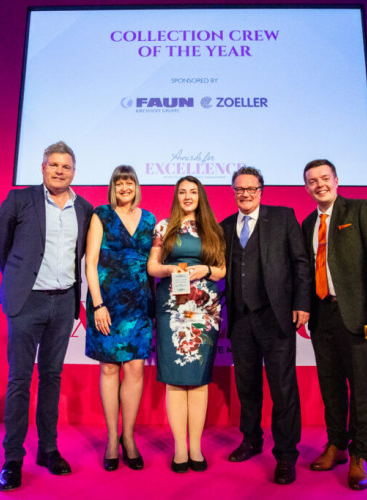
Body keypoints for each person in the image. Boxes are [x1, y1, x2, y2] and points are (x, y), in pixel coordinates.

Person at [0, 141, 93, 492]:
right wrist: (19, 279)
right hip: (27, 302)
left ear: (74, 171)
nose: (59, 170)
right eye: (54, 165)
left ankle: (48, 449)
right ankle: (13, 457)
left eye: (66, 166)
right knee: (20, 379)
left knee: (52, 378)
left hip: (64, 303)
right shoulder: (20, 199)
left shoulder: (85, 209)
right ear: (42, 167)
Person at [301, 159, 367, 491]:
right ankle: (337, 445)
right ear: (307, 187)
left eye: (324, 178)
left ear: (337, 180)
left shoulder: (361, 210)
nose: (319, 185)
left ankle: (359, 454)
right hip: (322, 315)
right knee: (330, 387)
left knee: (360, 387)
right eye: (312, 181)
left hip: (357, 314)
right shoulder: (306, 224)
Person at [220, 166, 311, 485]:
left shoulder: (284, 217)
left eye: (251, 188)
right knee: (247, 386)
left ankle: (286, 454)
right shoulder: (226, 225)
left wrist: (302, 303)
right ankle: (251, 440)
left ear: (261, 190)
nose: (245, 194)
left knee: (283, 388)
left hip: (277, 316)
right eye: (239, 189)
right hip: (241, 319)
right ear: (233, 192)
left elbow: (301, 263)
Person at [147, 176, 226, 473]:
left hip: (204, 309)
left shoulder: (214, 229)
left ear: (201, 196)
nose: (188, 196)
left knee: (200, 378)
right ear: (176, 196)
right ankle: (180, 449)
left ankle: (196, 449)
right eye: (182, 192)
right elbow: (152, 266)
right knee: (175, 379)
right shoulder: (163, 227)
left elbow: (222, 270)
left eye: (193, 192)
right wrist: (171, 269)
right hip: (172, 307)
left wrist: (205, 268)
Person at [84, 165, 156, 472]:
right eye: (119, 183)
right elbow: (90, 262)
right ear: (113, 187)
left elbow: (155, 262)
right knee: (110, 369)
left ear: (136, 186)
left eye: (129, 183)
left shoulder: (151, 219)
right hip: (107, 304)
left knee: (136, 369)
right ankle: (112, 439)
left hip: (140, 304)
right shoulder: (101, 215)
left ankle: (129, 438)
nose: (124, 187)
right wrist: (98, 305)